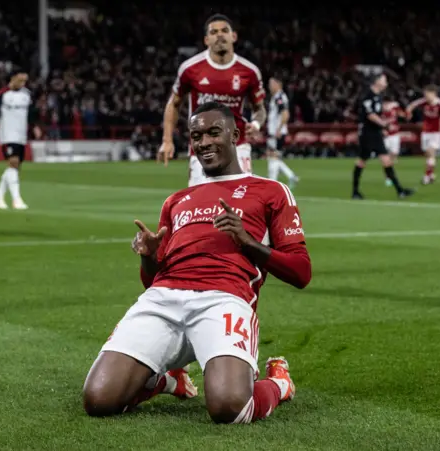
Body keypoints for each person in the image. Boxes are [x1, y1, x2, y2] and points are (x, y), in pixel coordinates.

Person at [83, 102, 312, 424]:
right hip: (163, 299)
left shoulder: (271, 191)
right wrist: (149, 257)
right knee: (97, 400)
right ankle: (167, 381)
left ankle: (279, 383)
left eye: (213, 133)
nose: (204, 142)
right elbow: (152, 282)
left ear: (235, 134)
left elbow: (302, 272)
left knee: (230, 408)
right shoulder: (176, 200)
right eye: (196, 136)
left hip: (224, 300)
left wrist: (249, 243)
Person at [158, 14, 266, 187]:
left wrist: (256, 124)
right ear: (206, 39)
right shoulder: (190, 69)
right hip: (202, 146)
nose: (220, 35)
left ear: (234, 36)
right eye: (214, 32)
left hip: (237, 145)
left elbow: (259, 108)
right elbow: (174, 103)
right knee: (201, 207)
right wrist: (167, 140)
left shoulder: (249, 71)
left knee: (241, 202)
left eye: (224, 30)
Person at [0, 71, 41, 210]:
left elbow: (31, 112)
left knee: (15, 167)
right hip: (7, 134)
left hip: (21, 135)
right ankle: (17, 199)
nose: (23, 83)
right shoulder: (1, 95)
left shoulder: (27, 94)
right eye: (20, 80)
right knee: (13, 163)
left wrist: (35, 126)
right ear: (13, 79)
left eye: (25, 81)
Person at [352, 74, 414, 199]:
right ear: (376, 82)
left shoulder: (378, 96)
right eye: (384, 80)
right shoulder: (367, 96)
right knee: (362, 161)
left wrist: (382, 126)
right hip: (367, 133)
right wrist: (384, 124)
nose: (386, 82)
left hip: (376, 133)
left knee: (385, 160)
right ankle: (355, 191)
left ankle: (400, 190)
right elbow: (370, 115)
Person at [405, 85, 440, 185]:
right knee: (427, 154)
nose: (426, 97)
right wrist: (409, 113)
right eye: (425, 94)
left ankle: (427, 176)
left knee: (430, 151)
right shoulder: (423, 101)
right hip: (425, 132)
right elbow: (410, 106)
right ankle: (432, 174)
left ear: (434, 94)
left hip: (436, 132)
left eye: (427, 94)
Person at [266, 77, 299, 188]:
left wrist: (279, 129)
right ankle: (291, 176)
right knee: (274, 156)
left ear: (277, 84)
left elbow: (285, 114)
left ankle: (273, 183)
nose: (269, 87)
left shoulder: (279, 97)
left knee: (273, 157)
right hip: (274, 132)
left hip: (277, 133)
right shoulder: (276, 97)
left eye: (271, 84)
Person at [381, 96, 405, 187]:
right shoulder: (379, 110)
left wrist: (403, 114)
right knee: (385, 157)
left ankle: (389, 173)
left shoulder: (394, 106)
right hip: (385, 136)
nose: (385, 106)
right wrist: (382, 130)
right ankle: (387, 177)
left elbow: (401, 114)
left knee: (394, 154)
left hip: (395, 134)